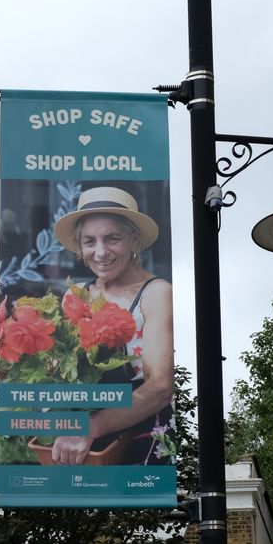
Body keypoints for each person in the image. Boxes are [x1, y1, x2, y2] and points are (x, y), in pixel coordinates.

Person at [49, 186, 174, 465]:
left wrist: (91, 427)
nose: (101, 252)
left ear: (135, 240)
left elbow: (161, 388)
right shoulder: (76, 294)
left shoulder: (155, 293)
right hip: (85, 438)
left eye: (112, 238)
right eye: (89, 241)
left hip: (141, 433)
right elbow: (67, 369)